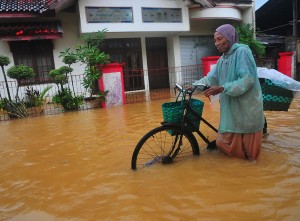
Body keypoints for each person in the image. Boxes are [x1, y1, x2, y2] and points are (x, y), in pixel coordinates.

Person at [193, 24, 264, 161]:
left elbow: (247, 79)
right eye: (215, 40)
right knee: (223, 144)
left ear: (230, 37)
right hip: (231, 112)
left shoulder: (242, 51)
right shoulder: (222, 59)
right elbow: (210, 78)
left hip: (247, 109)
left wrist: (222, 88)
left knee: (250, 155)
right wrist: (193, 86)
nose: (217, 43)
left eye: (220, 39)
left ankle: (251, 177)